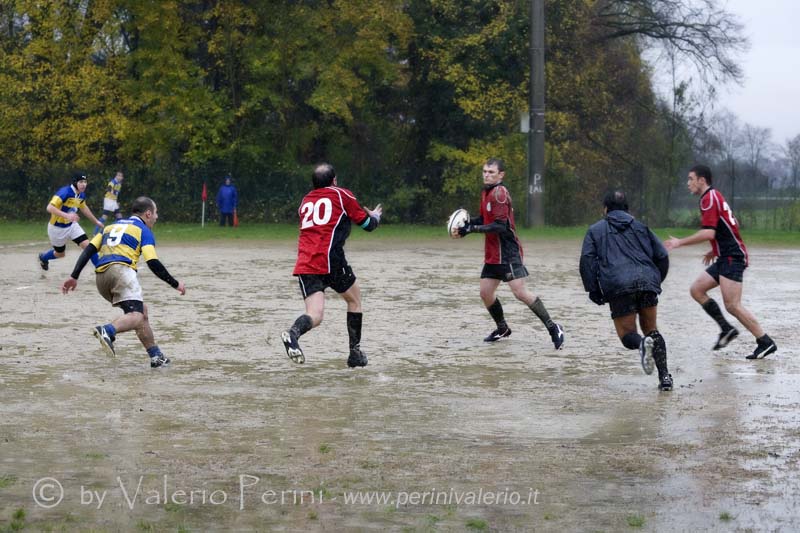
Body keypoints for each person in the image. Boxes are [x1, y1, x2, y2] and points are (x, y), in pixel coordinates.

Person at [664, 164, 777, 360]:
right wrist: (715, 249)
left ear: (702, 180)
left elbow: (709, 232)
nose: (688, 183)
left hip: (733, 257)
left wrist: (679, 243)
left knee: (732, 305)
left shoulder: (708, 198)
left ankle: (765, 341)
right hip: (725, 255)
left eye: (691, 179)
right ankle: (726, 329)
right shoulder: (714, 196)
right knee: (697, 290)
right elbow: (732, 224)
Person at [61, 196, 186, 368]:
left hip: (101, 278)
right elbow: (153, 262)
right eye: (156, 213)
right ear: (148, 214)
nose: (156, 217)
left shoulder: (110, 226)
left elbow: (89, 249)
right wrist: (175, 283)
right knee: (137, 315)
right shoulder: (143, 229)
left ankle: (156, 356)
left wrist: (74, 276)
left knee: (141, 311)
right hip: (121, 272)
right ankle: (107, 330)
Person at [454, 157, 565, 349]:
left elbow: (500, 226)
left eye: (491, 172)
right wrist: (467, 223)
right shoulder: (486, 192)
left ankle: (554, 327)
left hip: (508, 252)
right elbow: (484, 218)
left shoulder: (499, 194)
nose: (487, 175)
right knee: (485, 293)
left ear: (501, 175)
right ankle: (502, 328)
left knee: (520, 292)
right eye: (485, 171)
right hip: (492, 253)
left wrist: (470, 230)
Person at [281, 163, 382, 367]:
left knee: (315, 315)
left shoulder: (306, 200)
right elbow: (367, 225)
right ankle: (354, 353)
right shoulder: (342, 195)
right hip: (331, 261)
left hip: (306, 262)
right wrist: (375, 217)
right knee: (354, 300)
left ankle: (293, 334)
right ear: (334, 180)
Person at [579, 190, 673, 391]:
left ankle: (642, 345)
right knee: (652, 330)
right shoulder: (641, 227)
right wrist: (656, 280)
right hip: (647, 281)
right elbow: (662, 256)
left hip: (618, 284)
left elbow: (587, 261)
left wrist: (593, 290)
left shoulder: (595, 230)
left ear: (605, 209)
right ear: (627, 209)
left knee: (627, 334)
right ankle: (665, 377)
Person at [38, 173, 104, 271]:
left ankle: (101, 270)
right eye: (81, 182)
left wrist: (96, 221)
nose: (84, 184)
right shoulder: (65, 192)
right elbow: (50, 207)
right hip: (57, 228)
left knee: (89, 247)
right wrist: (68, 215)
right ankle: (43, 257)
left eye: (85, 182)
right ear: (75, 182)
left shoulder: (81, 195)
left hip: (72, 226)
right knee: (60, 254)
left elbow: (84, 207)